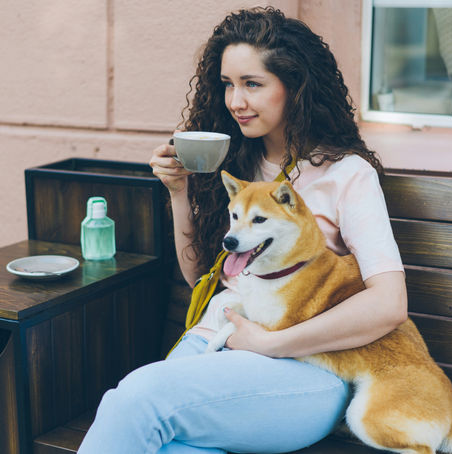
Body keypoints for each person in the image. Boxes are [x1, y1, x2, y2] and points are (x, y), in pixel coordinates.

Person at [78, 7, 407, 454]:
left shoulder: (347, 174)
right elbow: (205, 280)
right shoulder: (235, 164)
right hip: (215, 340)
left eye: (252, 84)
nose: (235, 101)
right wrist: (179, 192)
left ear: (295, 87)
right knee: (171, 446)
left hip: (306, 365)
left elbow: (389, 305)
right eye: (228, 84)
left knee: (136, 396)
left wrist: (272, 343)